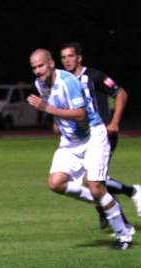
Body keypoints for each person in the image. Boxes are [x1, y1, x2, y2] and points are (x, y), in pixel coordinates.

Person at [27, 49, 132, 250]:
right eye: (34, 68)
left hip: (93, 135)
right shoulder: (40, 83)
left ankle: (124, 236)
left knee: (95, 187)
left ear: (51, 63)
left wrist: (47, 110)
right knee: (56, 183)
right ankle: (101, 201)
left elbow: (81, 114)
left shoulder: (68, 82)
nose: (38, 71)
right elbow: (49, 101)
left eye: (41, 65)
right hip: (71, 141)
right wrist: (54, 119)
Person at [59, 42, 141, 228]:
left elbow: (121, 93)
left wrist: (114, 122)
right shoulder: (64, 82)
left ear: (79, 57)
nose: (67, 60)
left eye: (70, 56)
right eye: (63, 57)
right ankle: (119, 209)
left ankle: (128, 201)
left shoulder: (94, 76)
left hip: (103, 133)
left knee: (92, 180)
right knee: (92, 181)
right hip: (83, 138)